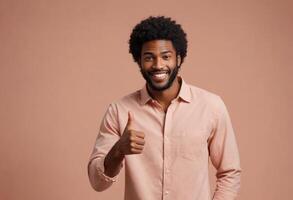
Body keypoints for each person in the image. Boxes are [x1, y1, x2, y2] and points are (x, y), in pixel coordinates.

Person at [88, 16, 241, 200]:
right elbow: (98, 183)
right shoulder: (119, 111)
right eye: (149, 57)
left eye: (166, 56)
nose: (158, 65)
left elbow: (229, 172)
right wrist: (118, 150)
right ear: (138, 61)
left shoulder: (211, 106)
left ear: (178, 58)